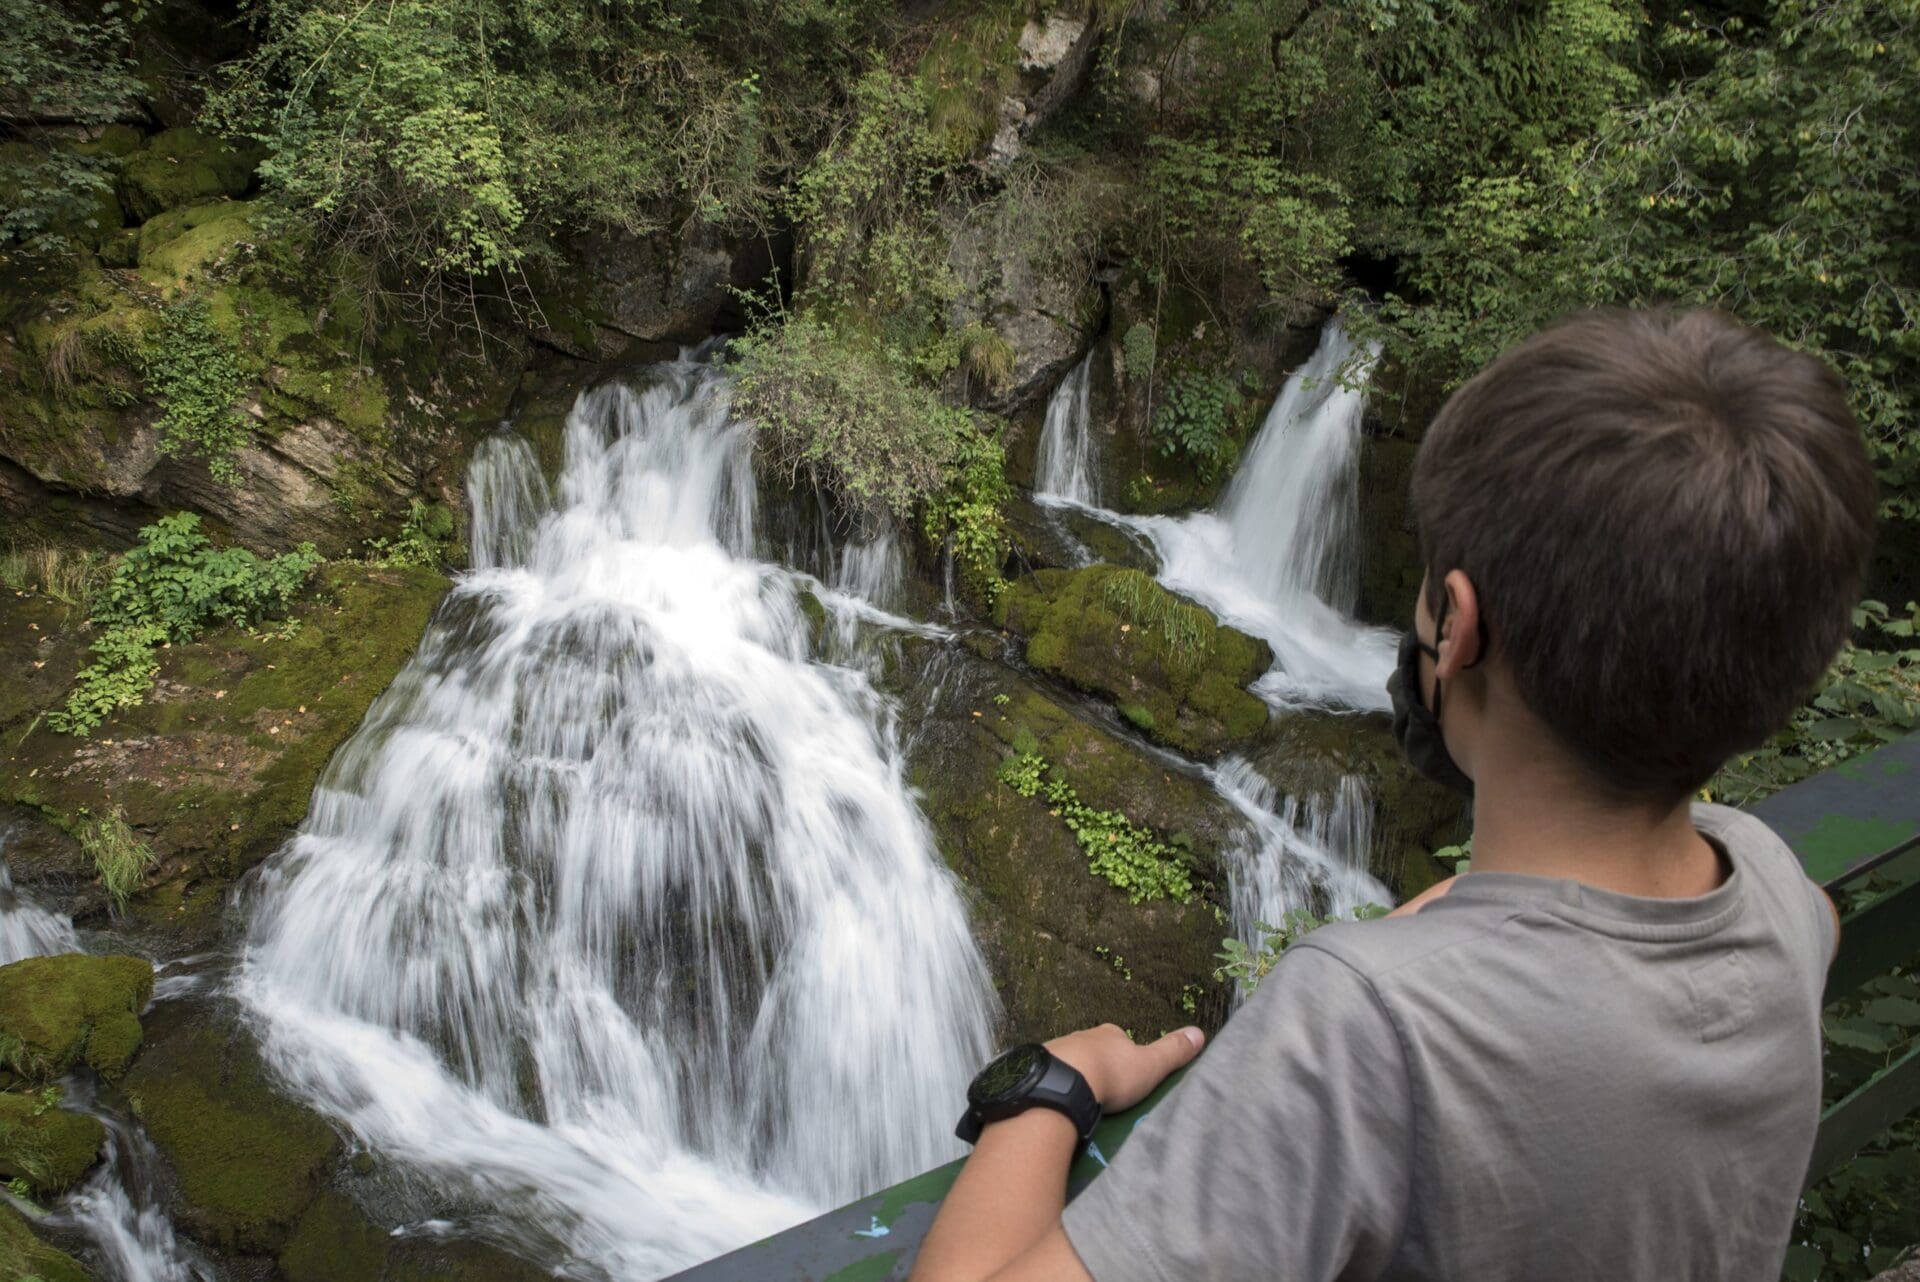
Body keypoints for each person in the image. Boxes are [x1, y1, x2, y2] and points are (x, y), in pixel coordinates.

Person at [910, 308, 1878, 1282]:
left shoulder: (1361, 1027)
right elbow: (1769, 932)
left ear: (1454, 626)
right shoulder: (1774, 889)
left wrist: (1048, 1094)